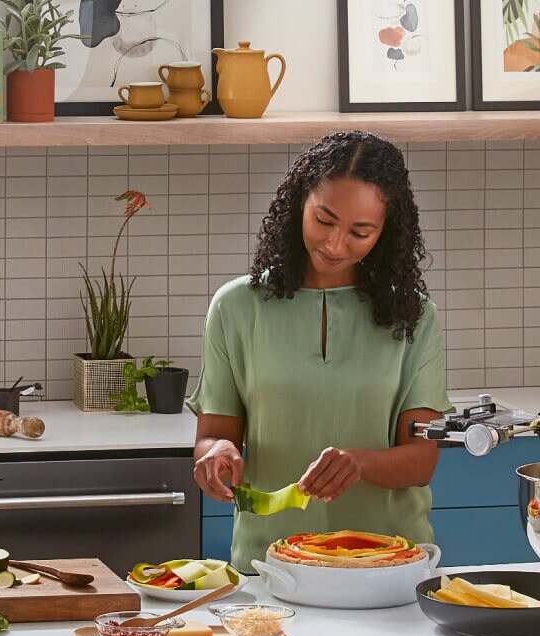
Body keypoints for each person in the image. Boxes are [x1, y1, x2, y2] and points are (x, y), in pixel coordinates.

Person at [191, 131, 448, 564]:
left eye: (359, 232)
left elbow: (421, 460)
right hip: (268, 563)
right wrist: (215, 454)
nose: (334, 245)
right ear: (298, 205)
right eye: (324, 220)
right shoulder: (235, 307)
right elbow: (215, 434)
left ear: (386, 232)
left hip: (388, 562)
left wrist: (359, 463)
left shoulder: (416, 317)